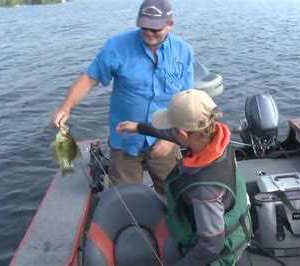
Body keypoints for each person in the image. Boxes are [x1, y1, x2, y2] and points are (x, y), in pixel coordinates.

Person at [52, 0, 194, 196]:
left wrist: (172, 139)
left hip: (165, 139)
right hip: (125, 141)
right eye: (144, 28)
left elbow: (188, 101)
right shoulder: (116, 46)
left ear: (170, 24)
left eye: (155, 29)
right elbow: (89, 78)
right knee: (127, 200)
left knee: (175, 195)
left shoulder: (184, 52)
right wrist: (65, 107)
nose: (149, 33)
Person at [117, 90, 250, 266]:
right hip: (231, 224)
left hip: (217, 255)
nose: (171, 133)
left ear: (183, 134)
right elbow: (176, 135)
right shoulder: (213, 136)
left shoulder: (204, 190)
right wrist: (139, 127)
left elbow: (211, 246)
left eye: (173, 128)